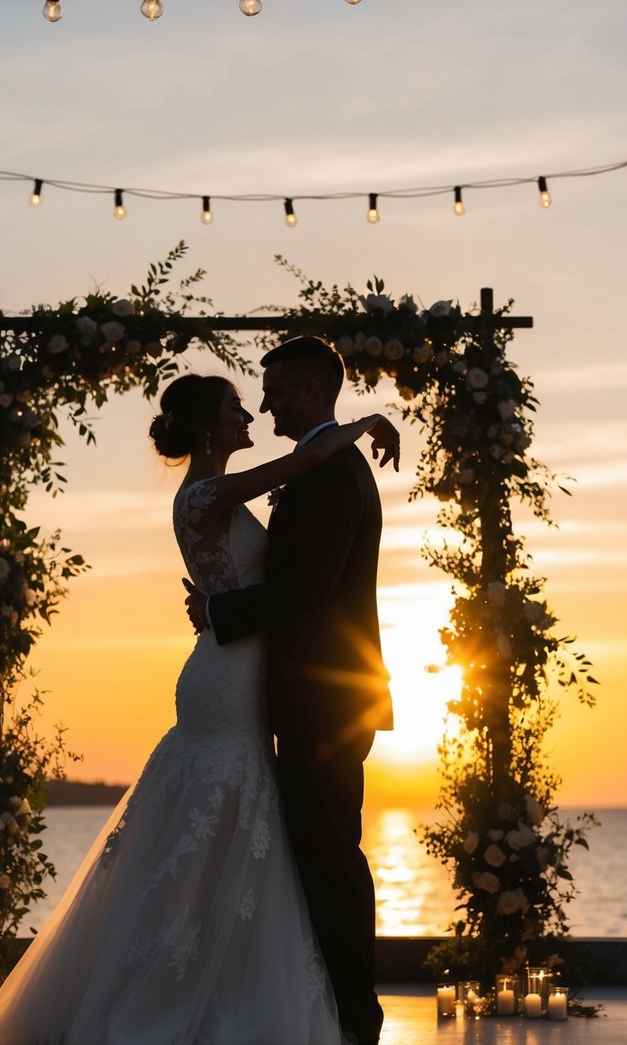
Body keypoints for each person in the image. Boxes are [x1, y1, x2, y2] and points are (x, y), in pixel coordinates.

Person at [0, 369, 399, 1045]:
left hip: (242, 665)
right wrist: (367, 423)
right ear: (206, 426)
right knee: (212, 818)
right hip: (226, 676)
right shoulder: (206, 491)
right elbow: (308, 457)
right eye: (236, 406)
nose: (248, 412)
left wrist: (218, 605)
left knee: (237, 824)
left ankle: (219, 970)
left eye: (254, 398)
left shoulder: (216, 492)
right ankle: (168, 981)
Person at [184, 338, 395, 1045]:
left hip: (323, 703)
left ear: (307, 392)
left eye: (271, 391)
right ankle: (331, 1009)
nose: (262, 402)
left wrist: (220, 612)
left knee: (330, 857)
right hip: (312, 698)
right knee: (318, 853)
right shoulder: (323, 464)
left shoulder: (329, 475)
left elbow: (307, 589)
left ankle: (353, 1019)